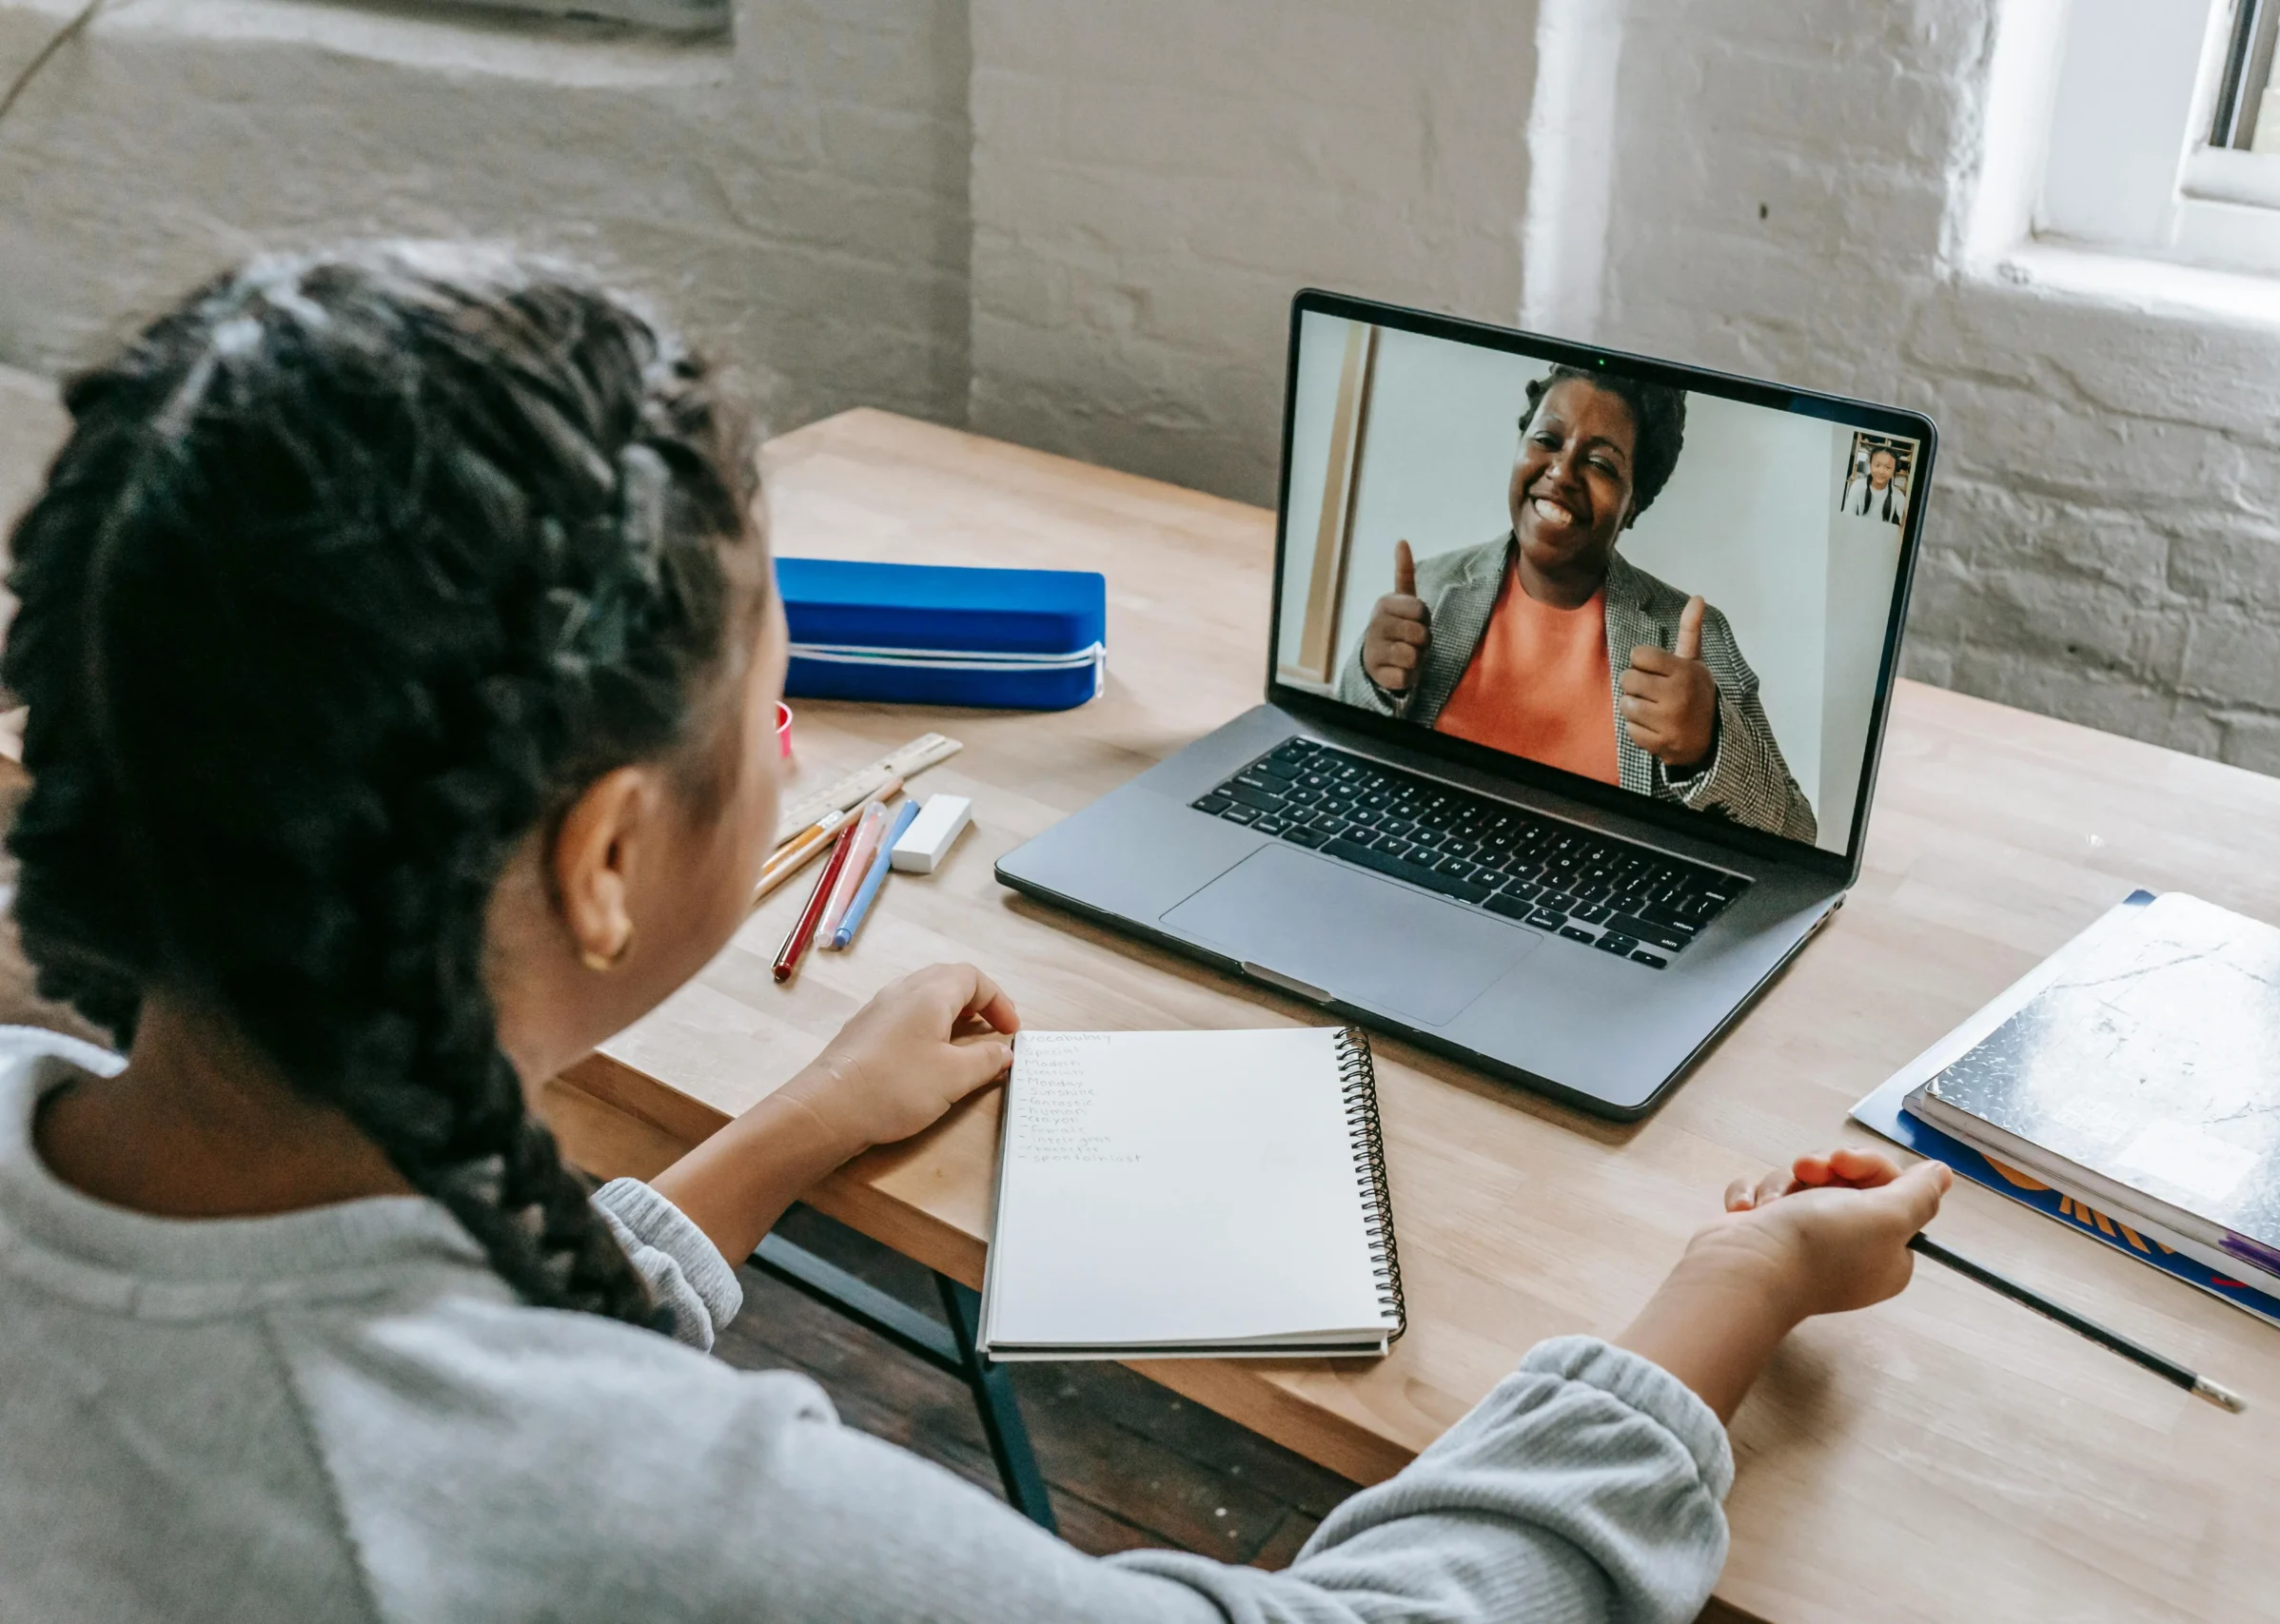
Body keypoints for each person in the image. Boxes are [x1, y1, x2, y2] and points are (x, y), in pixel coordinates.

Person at [0, 245, 1950, 1623]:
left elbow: (396, 1328)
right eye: (772, 685)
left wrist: (772, 1139)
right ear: (604, 857)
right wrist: (1726, 1294)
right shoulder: (658, 1514)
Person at [1334, 367, 1818, 844]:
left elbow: (1797, 836)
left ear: (1633, 505)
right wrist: (1370, 680)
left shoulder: (1691, 636)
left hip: (1593, 906)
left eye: (1602, 465)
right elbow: (1345, 771)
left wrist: (1706, 747)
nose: (1562, 472)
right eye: (1547, 439)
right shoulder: (1431, 590)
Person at [1842, 444, 1906, 525]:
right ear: (1870, 464)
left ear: (1894, 470)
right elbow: (1847, 518)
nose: (1881, 471)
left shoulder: (1899, 497)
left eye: (1887, 467)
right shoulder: (1857, 486)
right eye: (1877, 465)